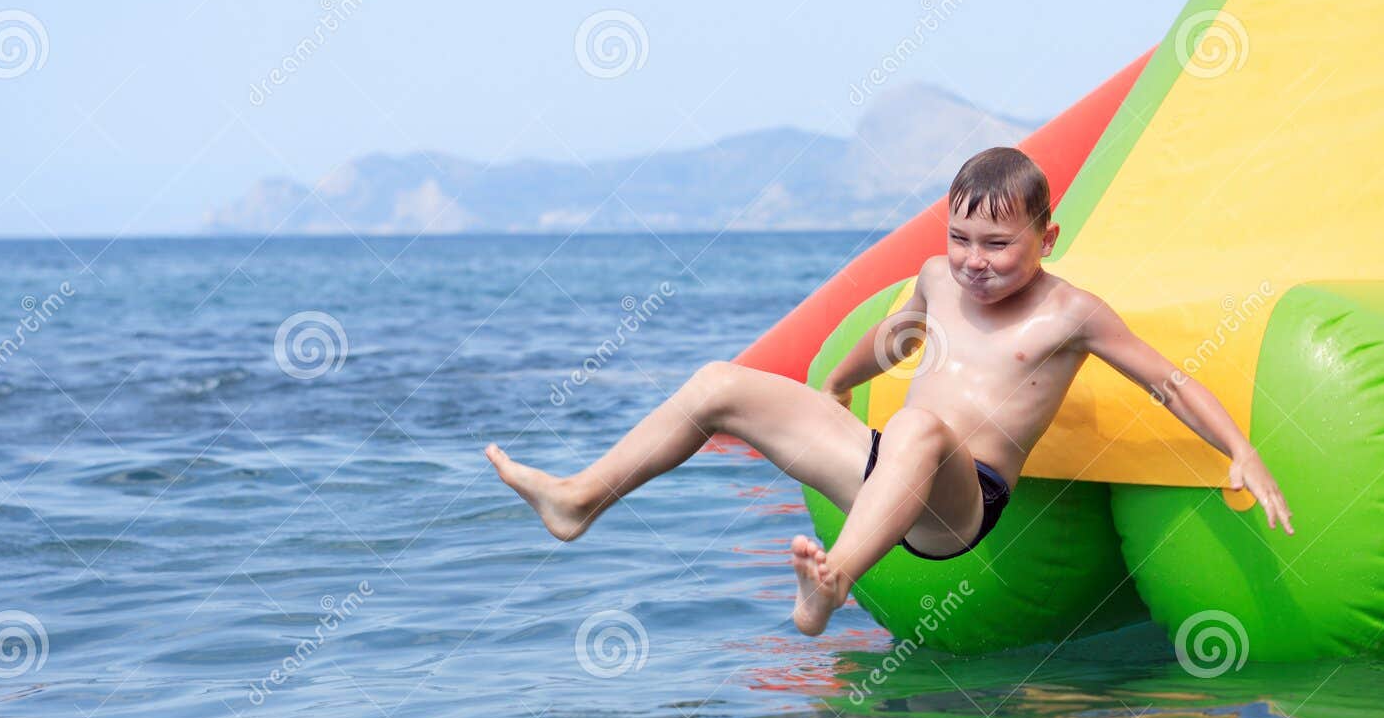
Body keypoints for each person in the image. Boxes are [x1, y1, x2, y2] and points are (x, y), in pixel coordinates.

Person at [484, 146, 1294, 637]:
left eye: (1000, 245)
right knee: (716, 384)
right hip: (887, 465)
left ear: (1047, 238)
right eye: (961, 238)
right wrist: (836, 381)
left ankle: (832, 579)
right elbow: (899, 337)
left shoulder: (1070, 313)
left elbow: (1167, 380)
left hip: (960, 502)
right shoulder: (938, 279)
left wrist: (1243, 449)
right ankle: (578, 499)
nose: (975, 260)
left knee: (922, 426)